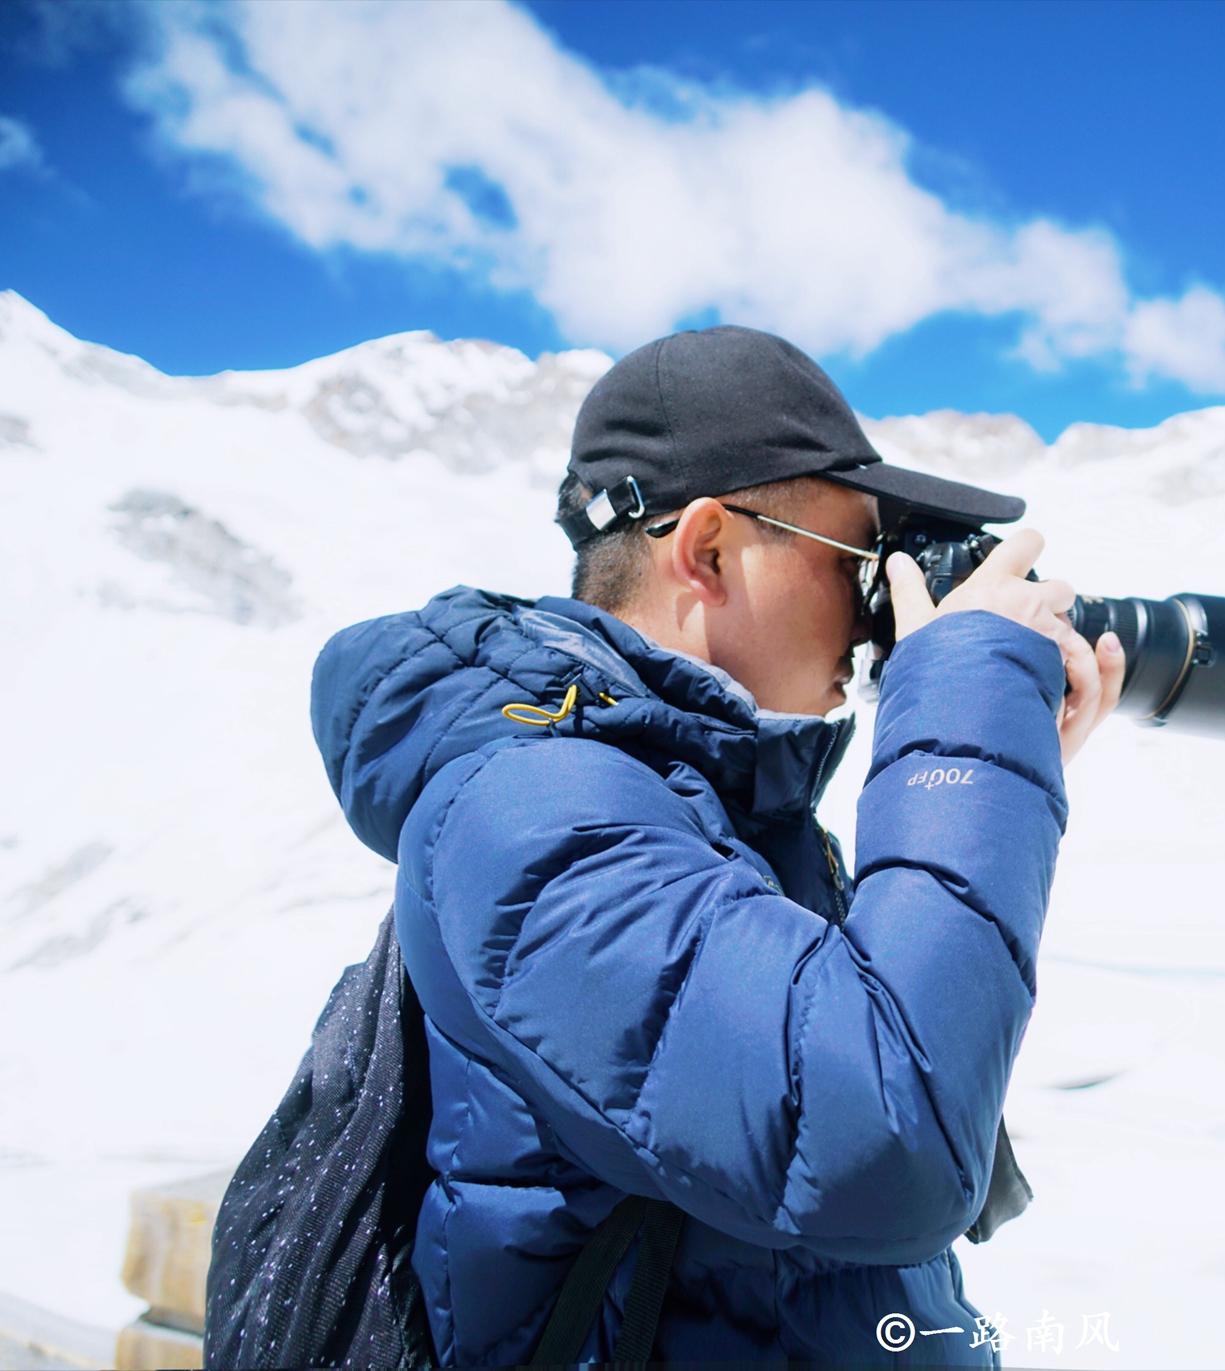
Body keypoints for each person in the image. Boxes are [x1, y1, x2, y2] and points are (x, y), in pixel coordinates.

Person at [308, 325, 1124, 1366]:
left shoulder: (714, 806)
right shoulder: (535, 809)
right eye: (859, 561)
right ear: (704, 549)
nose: (877, 609)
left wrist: (997, 757)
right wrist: (963, 716)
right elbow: (882, 1143)